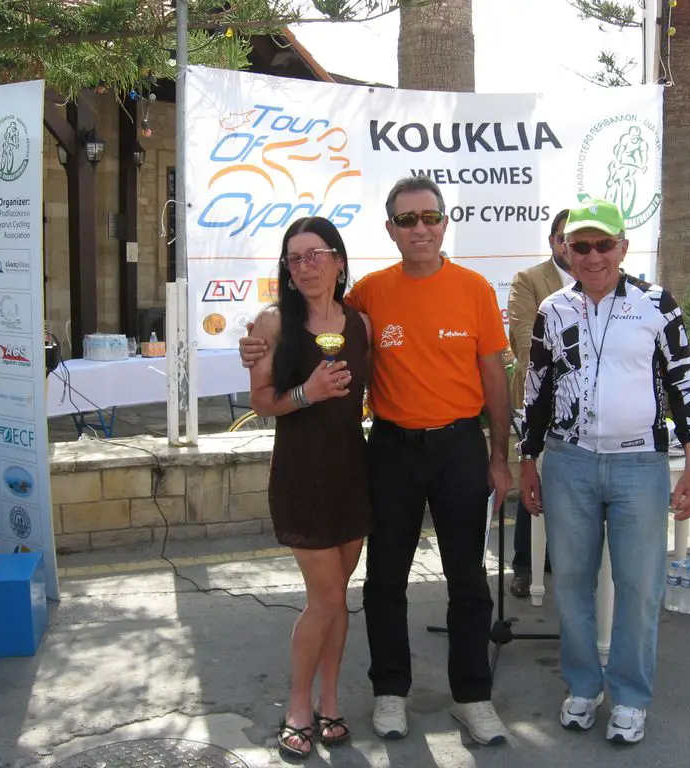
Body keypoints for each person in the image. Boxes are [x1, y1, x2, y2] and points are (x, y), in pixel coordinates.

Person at [241, 177, 513, 746]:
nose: (420, 228)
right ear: (390, 230)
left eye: (429, 217)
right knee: (383, 581)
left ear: (443, 223)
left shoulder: (475, 289)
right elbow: (299, 329)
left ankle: (473, 697)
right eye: (406, 220)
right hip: (389, 450)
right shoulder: (368, 298)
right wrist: (254, 346)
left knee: (468, 578)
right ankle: (390, 692)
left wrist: (499, 455)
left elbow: (494, 378)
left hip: (460, 445)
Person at [517, 199, 690, 744]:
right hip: (568, 463)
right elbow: (537, 391)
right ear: (564, 250)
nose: (593, 256)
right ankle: (581, 686)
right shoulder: (553, 310)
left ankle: (629, 696)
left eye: (604, 245)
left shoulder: (655, 304)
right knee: (571, 582)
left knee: (640, 587)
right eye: (581, 246)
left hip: (638, 465)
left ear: (623, 247)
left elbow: (684, 383)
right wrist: (528, 459)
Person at [247, 216, 373, 759]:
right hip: (300, 476)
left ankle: (330, 700)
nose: (306, 265)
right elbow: (262, 402)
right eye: (295, 257)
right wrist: (310, 392)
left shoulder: (361, 322)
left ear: (339, 261)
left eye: (316, 254)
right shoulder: (272, 324)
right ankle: (298, 705)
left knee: (336, 599)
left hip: (352, 472)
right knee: (323, 598)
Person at [505, 208, 570, 597]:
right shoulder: (529, 280)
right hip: (539, 400)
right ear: (552, 241)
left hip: (592, 414)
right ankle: (526, 566)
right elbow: (524, 341)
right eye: (563, 237)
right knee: (536, 483)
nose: (571, 245)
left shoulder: (607, 280)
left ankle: (567, 562)